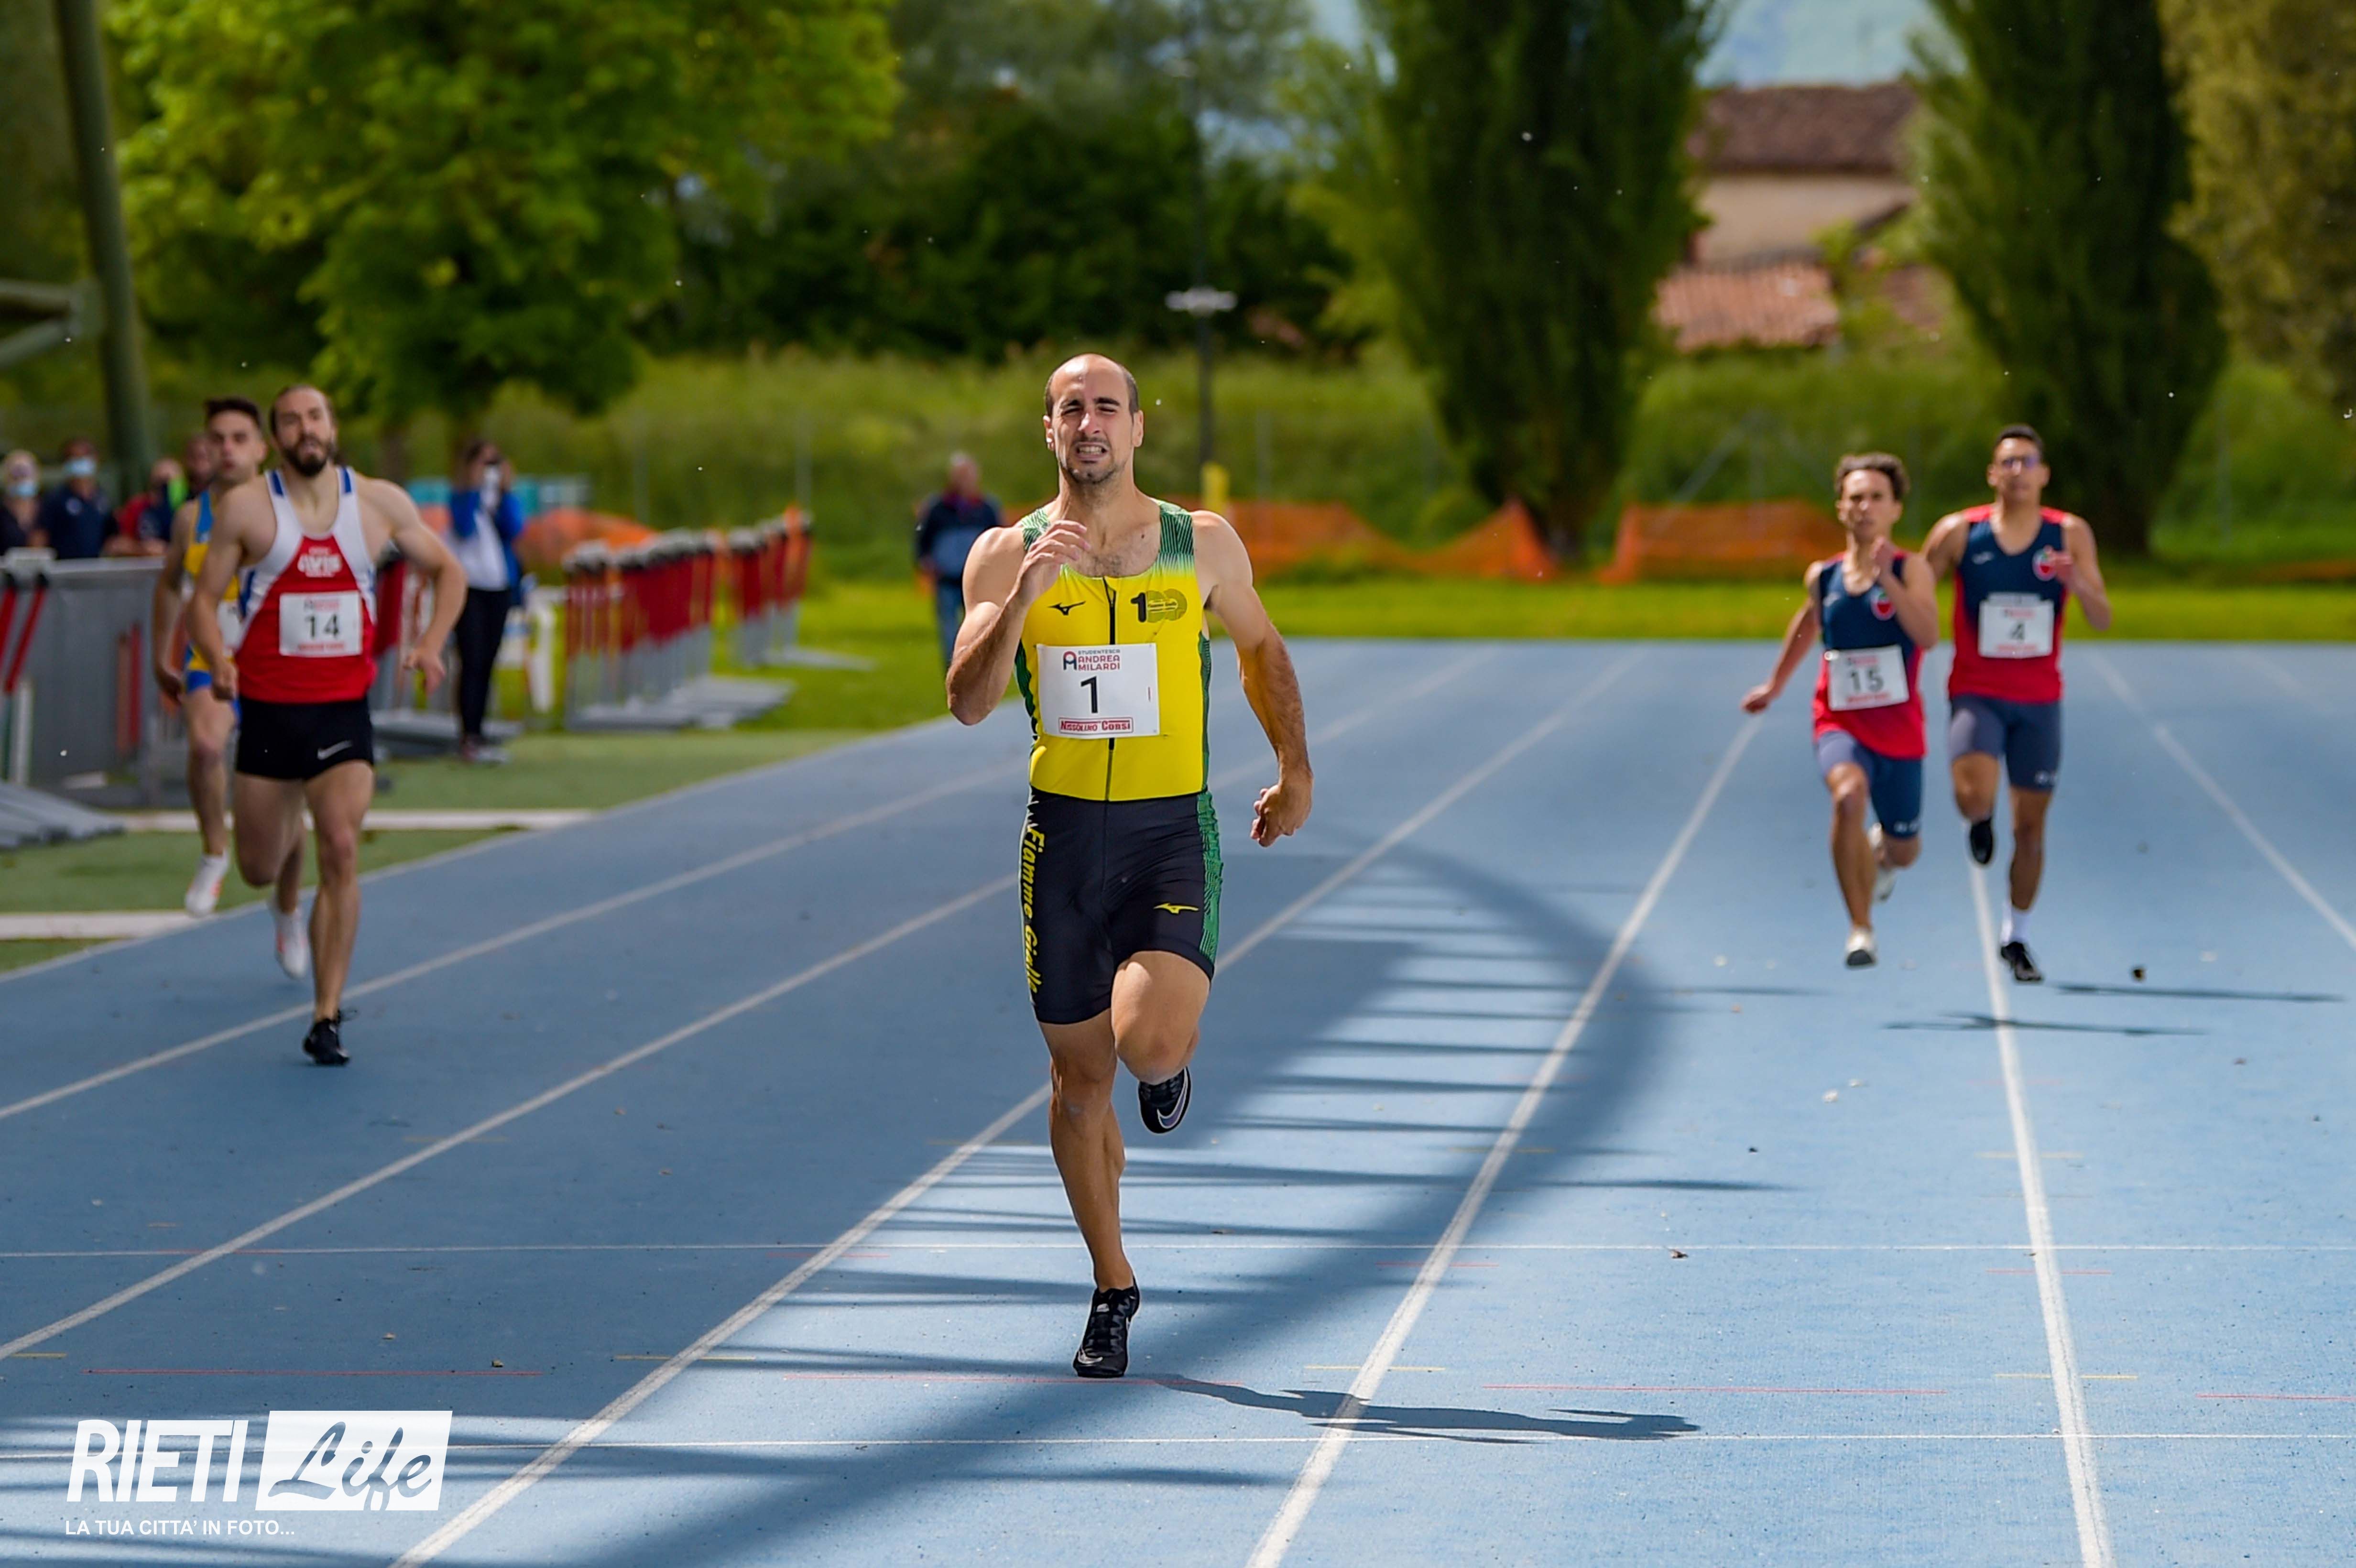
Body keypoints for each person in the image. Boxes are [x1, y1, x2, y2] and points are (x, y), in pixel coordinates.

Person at [949, 353, 1313, 1378]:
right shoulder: (1003, 554)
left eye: (1106, 406)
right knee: (1078, 1086)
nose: (1089, 422)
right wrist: (1023, 597)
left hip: (1166, 833)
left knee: (1145, 1047)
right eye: (1070, 408)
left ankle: (1171, 1054)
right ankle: (1112, 1285)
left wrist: (1294, 768)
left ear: (1137, 427)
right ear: (1049, 431)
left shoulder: (1201, 543)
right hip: (1063, 842)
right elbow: (968, 701)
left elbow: (1261, 649)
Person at [185, 384, 466, 1065]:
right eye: (291, 421)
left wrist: (431, 642)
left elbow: (448, 570)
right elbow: (202, 600)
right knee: (259, 866)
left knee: (340, 845)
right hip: (270, 711)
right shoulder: (247, 508)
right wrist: (218, 660)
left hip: (343, 708)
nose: (305, 429)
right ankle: (284, 895)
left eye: (315, 417)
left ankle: (327, 1015)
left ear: (333, 426)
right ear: (276, 438)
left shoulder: (378, 503)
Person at [1922, 425, 2112, 983]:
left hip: (2038, 700)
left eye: (2027, 462)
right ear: (1991, 474)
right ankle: (1979, 820)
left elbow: (2101, 617)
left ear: (2043, 474)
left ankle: (2016, 936)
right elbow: (1913, 591)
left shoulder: (2068, 534)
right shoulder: (1960, 533)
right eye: (2006, 462)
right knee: (1972, 794)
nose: (2017, 471)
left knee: (2030, 830)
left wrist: (2076, 584)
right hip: (1976, 690)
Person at [1743, 454, 1940, 967]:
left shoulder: (1911, 569)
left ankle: (1883, 855)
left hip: (1898, 729)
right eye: (1855, 497)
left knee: (1905, 851)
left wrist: (1886, 580)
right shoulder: (1823, 575)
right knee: (1848, 797)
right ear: (1840, 508)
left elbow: (1927, 635)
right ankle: (1860, 927)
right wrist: (1775, 684)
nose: (1865, 506)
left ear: (1895, 509)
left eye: (1876, 497)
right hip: (1840, 720)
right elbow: (1808, 623)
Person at [152, 397, 272, 916]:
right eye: (217, 439)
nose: (226, 449)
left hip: (274, 658)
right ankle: (214, 852)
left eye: (239, 439)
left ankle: (287, 906)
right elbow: (169, 583)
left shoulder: (285, 508)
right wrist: (161, 652)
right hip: (211, 651)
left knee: (281, 787)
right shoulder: (190, 517)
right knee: (205, 747)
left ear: (262, 448)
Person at [445, 438, 525, 763]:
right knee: (472, 659)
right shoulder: (461, 498)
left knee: (489, 660)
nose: (489, 470)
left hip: (498, 586)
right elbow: (463, 528)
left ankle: (479, 728)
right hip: (470, 587)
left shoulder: (501, 500)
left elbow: (514, 529)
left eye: (495, 463)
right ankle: (468, 733)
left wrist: (503, 492)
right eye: (484, 463)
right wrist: (474, 488)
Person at [915, 452, 1004, 667]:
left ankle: (976, 671)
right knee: (949, 633)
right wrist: (926, 562)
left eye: (968, 475)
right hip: (947, 580)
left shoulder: (986, 508)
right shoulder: (937, 508)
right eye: (960, 475)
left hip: (978, 583)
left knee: (980, 631)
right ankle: (954, 672)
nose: (964, 480)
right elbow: (922, 540)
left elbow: (1000, 541)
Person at [33, 437, 112, 559]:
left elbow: (112, 537)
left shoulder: (102, 498)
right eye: (73, 458)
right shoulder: (55, 499)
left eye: (83, 457)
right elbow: (40, 537)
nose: (79, 463)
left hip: (96, 566)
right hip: (64, 566)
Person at [109, 455, 184, 555]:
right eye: (159, 483)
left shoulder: (186, 509)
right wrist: (141, 549)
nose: (164, 489)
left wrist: (167, 550)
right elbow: (119, 544)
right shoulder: (138, 507)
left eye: (169, 484)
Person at [1, 450, 39, 552]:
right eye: (16, 475)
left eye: (25, 474)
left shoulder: (47, 508)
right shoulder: (3, 512)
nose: (21, 480)